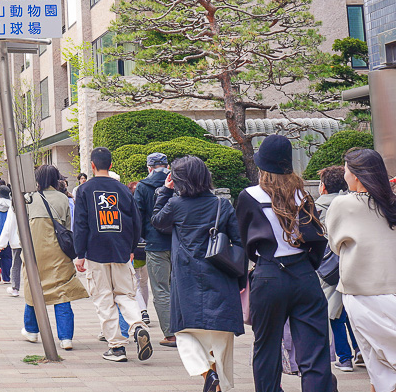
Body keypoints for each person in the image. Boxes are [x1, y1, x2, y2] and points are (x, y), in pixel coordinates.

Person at [235, 134, 335, 392]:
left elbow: (244, 240)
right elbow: (317, 239)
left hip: (269, 273)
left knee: (266, 348)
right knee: (315, 350)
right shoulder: (303, 195)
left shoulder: (249, 196)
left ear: (262, 166)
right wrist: (306, 266)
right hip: (303, 273)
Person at [153, 156, 245, 391]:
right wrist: (241, 280)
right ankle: (220, 383)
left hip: (187, 280)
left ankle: (207, 373)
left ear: (178, 179)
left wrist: (165, 190)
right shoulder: (222, 205)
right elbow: (239, 243)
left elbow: (157, 221)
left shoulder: (175, 204)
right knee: (221, 339)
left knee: (184, 333)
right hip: (222, 277)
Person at [325, 147, 396, 392]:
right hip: (392, 291)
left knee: (376, 363)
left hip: (361, 293)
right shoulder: (391, 203)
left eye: (346, 170)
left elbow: (335, 245)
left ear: (355, 175)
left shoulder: (343, 204)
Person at [72, 147, 152, 363]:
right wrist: (132, 248)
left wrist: (80, 253)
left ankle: (117, 347)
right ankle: (137, 326)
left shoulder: (84, 190)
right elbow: (136, 222)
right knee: (125, 295)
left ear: (92, 165)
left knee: (103, 298)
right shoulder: (123, 190)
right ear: (111, 164)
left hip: (95, 251)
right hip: (121, 250)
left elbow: (80, 224)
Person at [21, 164, 89, 351]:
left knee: (33, 289)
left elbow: (23, 227)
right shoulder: (63, 198)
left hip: (34, 252)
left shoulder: (29, 198)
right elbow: (67, 226)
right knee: (62, 291)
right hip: (58, 253)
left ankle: (32, 331)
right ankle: (66, 338)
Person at [314, 165, 361, 373]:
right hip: (352, 262)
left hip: (328, 267)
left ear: (323, 187)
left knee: (334, 313)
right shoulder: (353, 203)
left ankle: (344, 357)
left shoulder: (316, 208)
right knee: (351, 308)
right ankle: (360, 349)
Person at [133, 152, 176, 347]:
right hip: (178, 243)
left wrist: (145, 236)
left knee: (161, 289)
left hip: (155, 244)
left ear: (149, 168)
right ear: (167, 166)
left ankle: (170, 334)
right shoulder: (179, 182)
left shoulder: (143, 186)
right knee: (178, 287)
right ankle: (185, 330)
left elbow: (138, 217)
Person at [0, 198, 23, 297]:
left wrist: (2, 243)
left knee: (16, 265)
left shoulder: (13, 208)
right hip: (30, 240)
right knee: (32, 265)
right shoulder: (30, 204)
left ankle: (15, 288)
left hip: (16, 240)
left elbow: (8, 226)